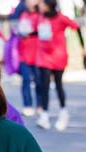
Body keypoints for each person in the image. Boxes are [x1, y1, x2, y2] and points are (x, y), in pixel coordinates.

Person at [34, 0, 83, 131]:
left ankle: (63, 111)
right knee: (44, 86)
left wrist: (82, 47)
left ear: (48, 5)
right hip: (44, 57)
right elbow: (38, 32)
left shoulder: (61, 18)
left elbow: (76, 27)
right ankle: (44, 115)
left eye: (41, 4)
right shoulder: (40, 17)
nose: (39, 6)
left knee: (58, 85)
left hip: (58, 56)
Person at [15, 0, 41, 116]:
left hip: (38, 54)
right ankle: (27, 105)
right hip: (24, 54)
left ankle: (40, 105)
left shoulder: (41, 16)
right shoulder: (23, 15)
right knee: (25, 80)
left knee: (39, 81)